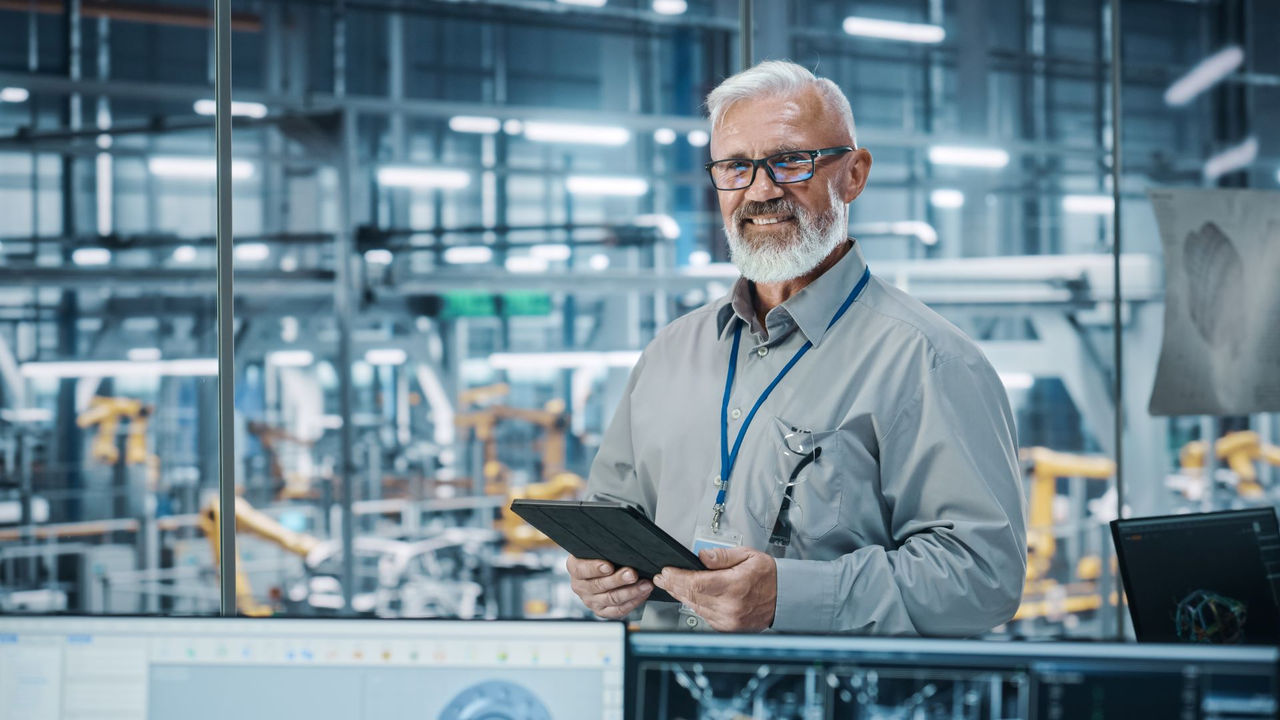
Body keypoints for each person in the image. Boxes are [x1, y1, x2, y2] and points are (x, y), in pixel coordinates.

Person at [566, 60, 1026, 635]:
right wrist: (596, 574)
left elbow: (983, 578)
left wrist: (792, 596)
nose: (761, 191)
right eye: (736, 167)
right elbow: (611, 513)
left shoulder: (927, 360)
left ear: (854, 174)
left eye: (790, 161)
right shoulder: (670, 352)